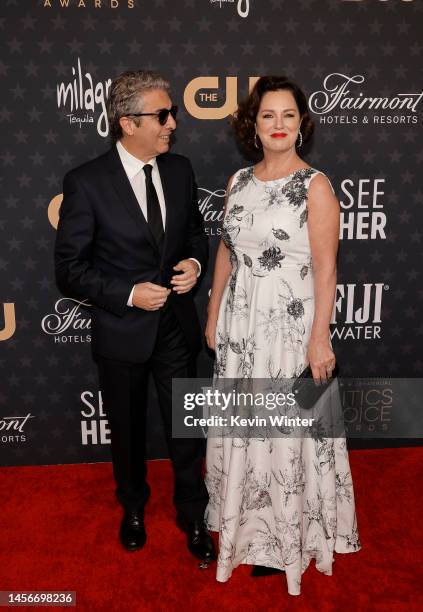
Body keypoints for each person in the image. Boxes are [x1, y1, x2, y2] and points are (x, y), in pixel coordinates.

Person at [204, 76, 360, 595]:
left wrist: (321, 339)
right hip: (241, 323)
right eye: (268, 115)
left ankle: (288, 535)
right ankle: (249, 528)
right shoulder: (239, 181)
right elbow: (226, 251)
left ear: (301, 124)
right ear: (253, 123)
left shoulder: (316, 185)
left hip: (289, 327)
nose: (278, 125)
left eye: (288, 116)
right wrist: (213, 314)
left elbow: (325, 268)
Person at [55, 70, 215, 563]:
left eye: (173, 113)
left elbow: (193, 234)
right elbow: (69, 270)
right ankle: (133, 508)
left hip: (175, 327)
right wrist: (126, 294)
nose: (172, 124)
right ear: (127, 122)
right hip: (122, 332)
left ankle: (192, 511)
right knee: (125, 431)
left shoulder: (180, 170)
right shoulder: (86, 182)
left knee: (185, 428)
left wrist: (193, 263)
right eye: (162, 115)